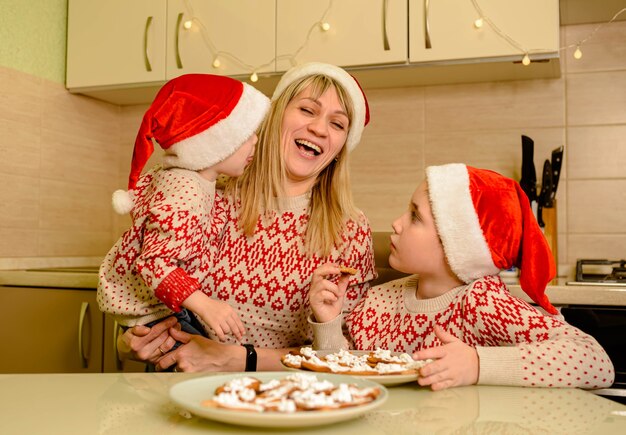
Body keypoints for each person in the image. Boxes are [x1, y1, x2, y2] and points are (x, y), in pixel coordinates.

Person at [117, 62, 377, 372]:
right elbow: (137, 283)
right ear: (274, 116)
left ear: (341, 147)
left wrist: (238, 358)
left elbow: (348, 357)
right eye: (308, 110)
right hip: (180, 392)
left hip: (287, 404)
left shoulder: (351, 229)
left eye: (337, 124)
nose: (319, 129)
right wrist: (132, 342)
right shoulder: (205, 191)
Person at [309, 163, 615, 390]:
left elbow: (593, 361)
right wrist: (328, 323)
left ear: (456, 245)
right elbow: (346, 375)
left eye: (415, 216)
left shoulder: (480, 301)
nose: (397, 223)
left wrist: (477, 364)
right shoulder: (379, 300)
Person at [98, 74, 270, 345]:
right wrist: (206, 305)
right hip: (151, 313)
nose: (256, 141)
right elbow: (153, 264)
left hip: (161, 307)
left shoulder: (196, 178)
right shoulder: (186, 191)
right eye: (247, 134)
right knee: (199, 363)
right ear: (215, 143)